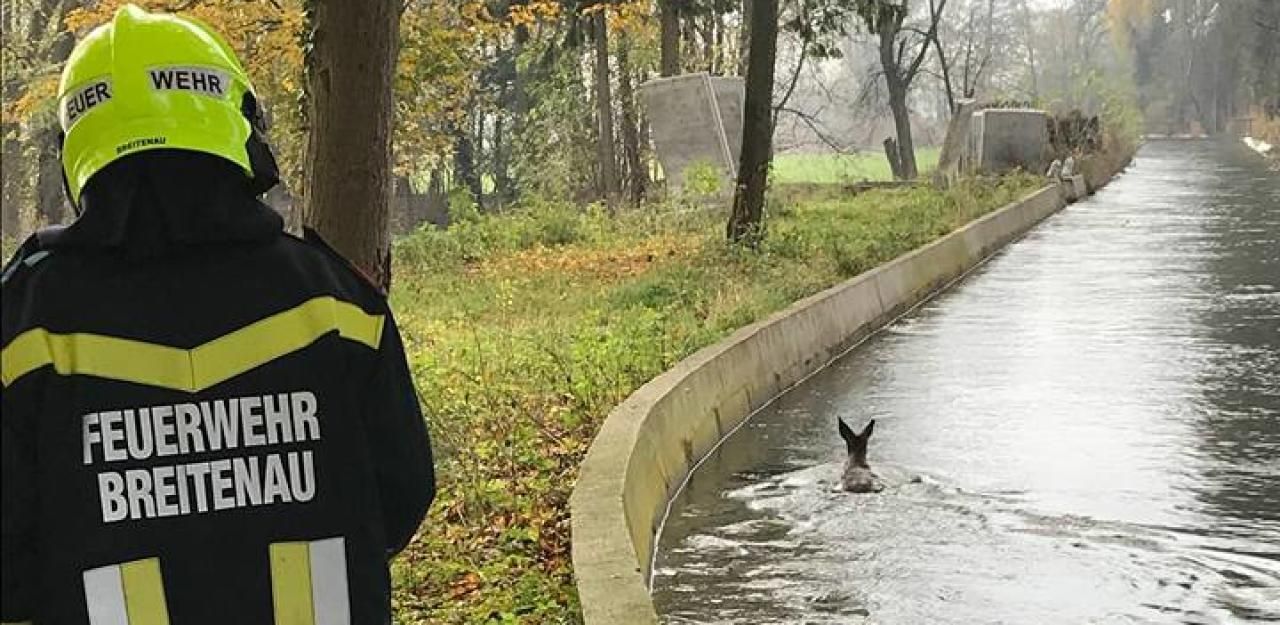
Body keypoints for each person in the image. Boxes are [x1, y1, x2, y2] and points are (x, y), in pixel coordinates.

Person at [0, 5, 434, 624]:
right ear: (239, 123)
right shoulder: (334, 301)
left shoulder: (24, 325)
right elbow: (402, 495)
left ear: (77, 146)